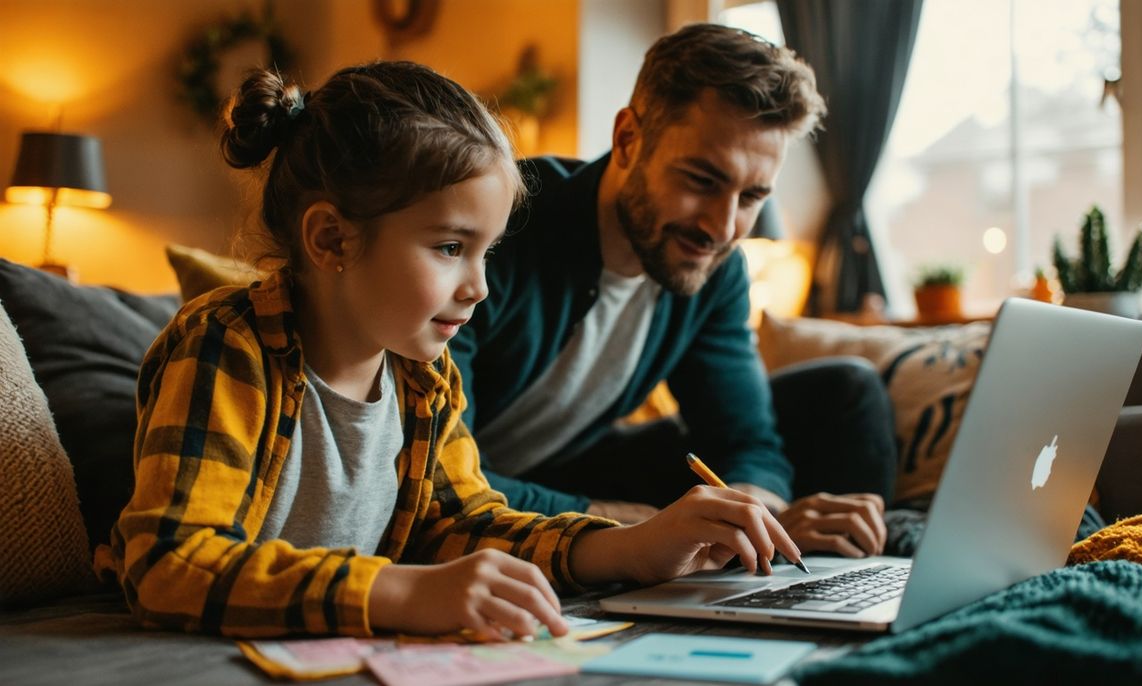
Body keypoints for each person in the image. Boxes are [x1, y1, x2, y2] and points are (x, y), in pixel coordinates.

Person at [96, 61, 802, 639]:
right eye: (450, 248)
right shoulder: (227, 347)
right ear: (331, 240)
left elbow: (461, 522)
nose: (480, 288)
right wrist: (399, 592)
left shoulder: (422, 376)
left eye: (487, 253)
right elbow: (168, 564)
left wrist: (628, 547)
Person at [450, 24, 897, 558]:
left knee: (847, 391)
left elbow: (747, 440)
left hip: (575, 464)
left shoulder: (715, 268)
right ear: (627, 139)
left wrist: (758, 511)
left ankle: (846, 585)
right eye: (701, 181)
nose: (722, 226)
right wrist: (647, 528)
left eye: (752, 195)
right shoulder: (501, 228)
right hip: (471, 478)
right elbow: (445, 476)